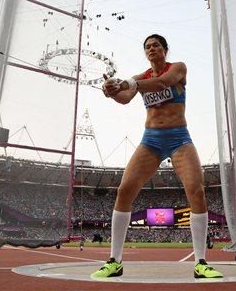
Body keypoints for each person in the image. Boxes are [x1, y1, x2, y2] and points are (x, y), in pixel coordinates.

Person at [91, 34, 223, 279]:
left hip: (179, 138)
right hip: (151, 139)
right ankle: (114, 261)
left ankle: (201, 262)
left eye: (156, 46)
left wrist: (129, 83)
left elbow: (163, 83)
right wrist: (111, 90)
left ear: (165, 49)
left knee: (196, 189)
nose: (151, 49)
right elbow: (124, 98)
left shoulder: (178, 68)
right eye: (147, 47)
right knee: (125, 190)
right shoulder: (141, 77)